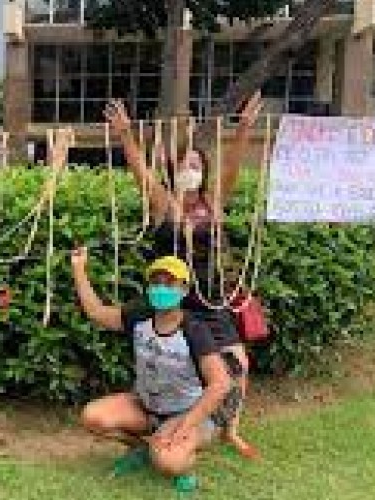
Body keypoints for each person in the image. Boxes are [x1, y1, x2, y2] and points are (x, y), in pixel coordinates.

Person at [103, 96, 263, 459]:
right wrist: (125, 134)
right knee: (169, 363)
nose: (190, 169)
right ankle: (158, 427)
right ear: (173, 170)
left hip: (208, 298)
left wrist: (243, 129)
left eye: (196, 164)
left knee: (238, 365)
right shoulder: (163, 203)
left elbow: (233, 166)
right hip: (170, 298)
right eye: (184, 164)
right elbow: (140, 171)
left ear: (204, 171)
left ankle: (230, 430)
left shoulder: (213, 203)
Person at [71, 252, 233, 486]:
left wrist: (185, 427)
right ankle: (142, 449)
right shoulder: (139, 317)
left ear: (184, 289)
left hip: (187, 412)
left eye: (169, 283)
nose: (161, 288)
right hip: (146, 407)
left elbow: (220, 383)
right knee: (93, 417)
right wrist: (78, 268)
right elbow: (96, 313)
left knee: (169, 463)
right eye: (156, 282)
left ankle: (184, 466)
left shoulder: (194, 329)